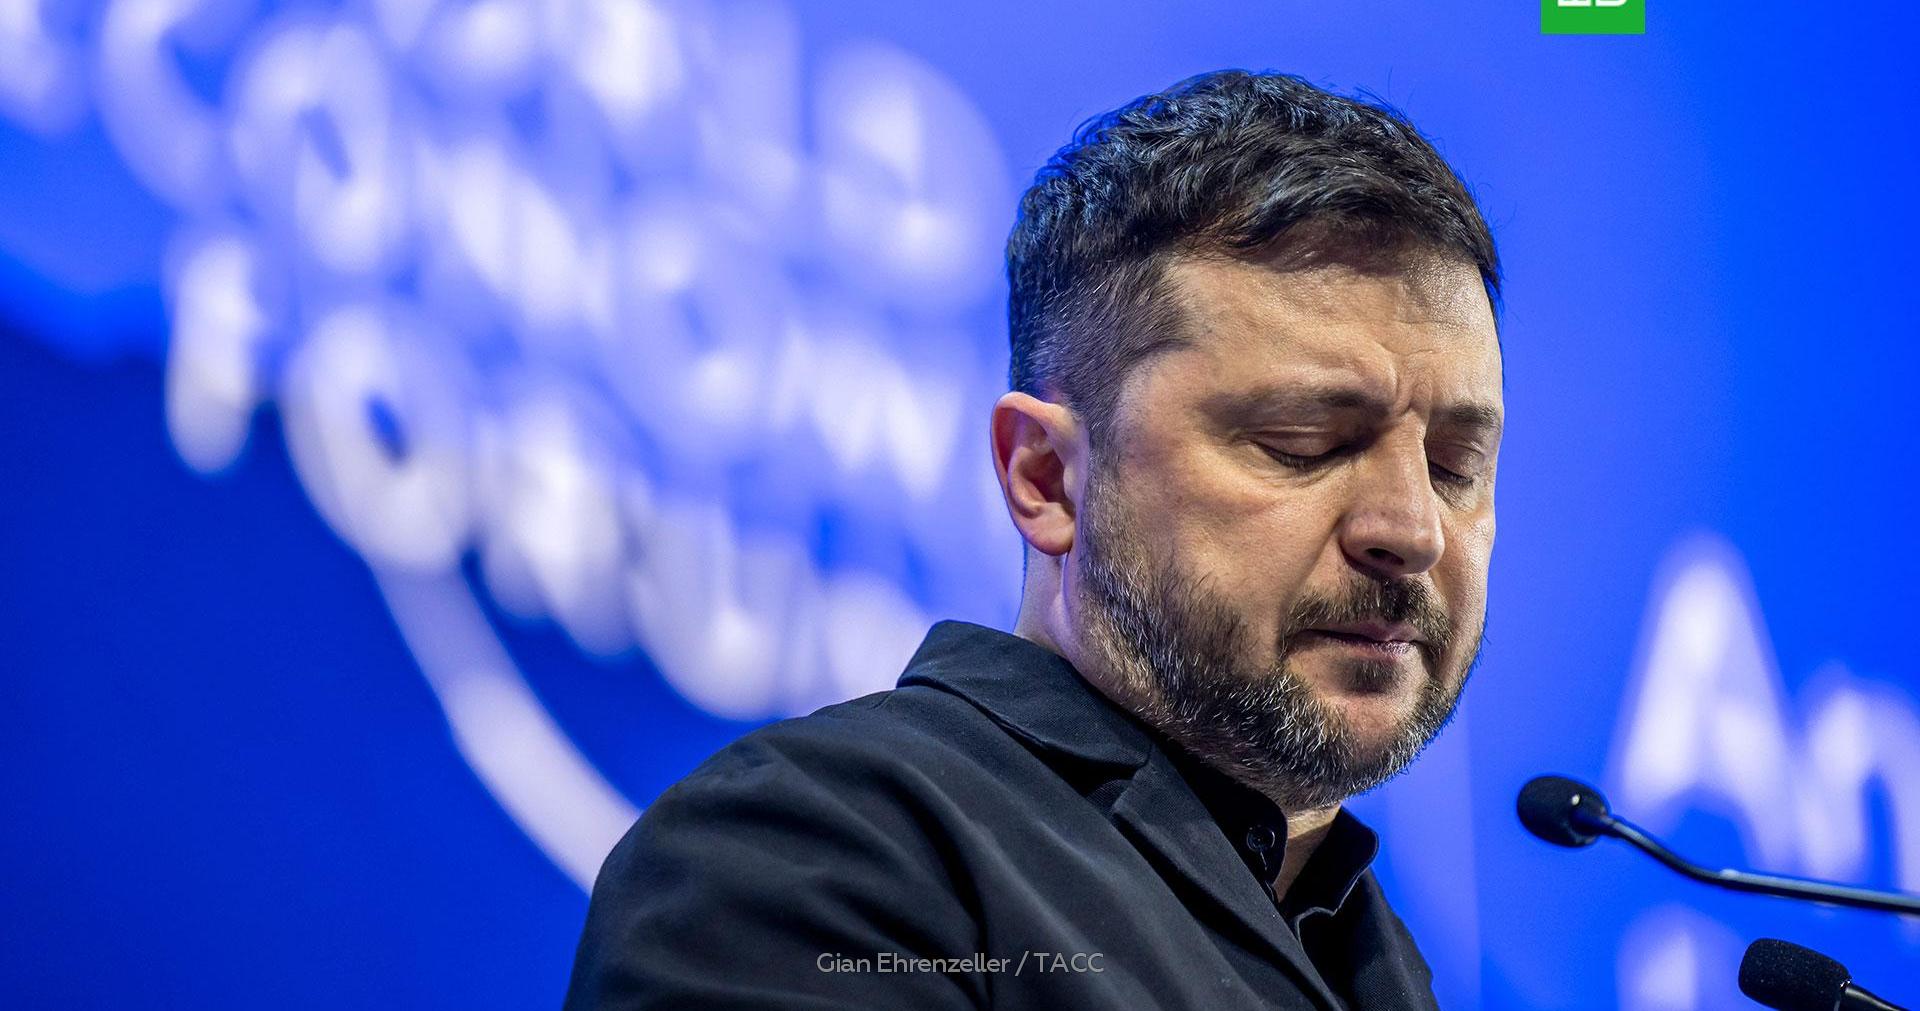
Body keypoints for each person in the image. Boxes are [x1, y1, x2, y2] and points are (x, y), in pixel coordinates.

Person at [564, 68, 1502, 1010]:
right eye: (1303, 441)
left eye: (1455, 464)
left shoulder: (1382, 962)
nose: (1413, 528)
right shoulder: (811, 848)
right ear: (1047, 477)